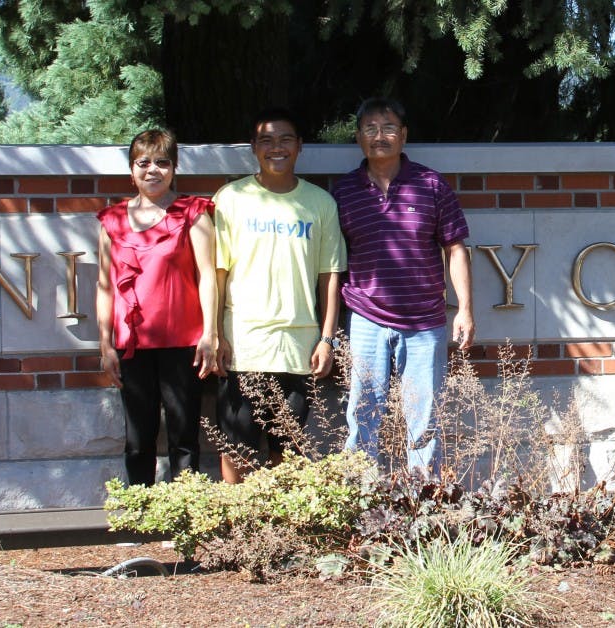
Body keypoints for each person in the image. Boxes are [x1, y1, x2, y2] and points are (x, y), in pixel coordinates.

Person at [332, 97, 474, 471]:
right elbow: (331, 263)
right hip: (365, 317)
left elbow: (455, 248)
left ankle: (423, 503)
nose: (380, 136)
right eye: (370, 129)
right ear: (359, 137)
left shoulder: (430, 184)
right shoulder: (344, 192)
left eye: (389, 128)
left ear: (404, 135)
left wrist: (465, 310)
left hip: (424, 320)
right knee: (362, 415)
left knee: (424, 418)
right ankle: (361, 498)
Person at [213, 107, 347, 483]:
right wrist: (215, 334)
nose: (277, 147)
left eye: (285, 139)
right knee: (236, 446)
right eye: (267, 140)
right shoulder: (231, 198)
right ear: (254, 147)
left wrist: (326, 338)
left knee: (286, 448)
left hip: (298, 345)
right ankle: (236, 527)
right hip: (243, 343)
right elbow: (217, 273)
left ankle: (280, 527)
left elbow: (330, 276)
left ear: (300, 146)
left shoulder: (321, 203)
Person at [96, 128, 218, 486]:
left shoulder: (192, 214)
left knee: (183, 438)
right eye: (143, 162)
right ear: (131, 169)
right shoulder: (111, 220)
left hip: (183, 343)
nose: (153, 170)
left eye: (162, 162)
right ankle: (140, 518)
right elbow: (104, 285)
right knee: (138, 439)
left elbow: (208, 276)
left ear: (175, 167)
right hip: (132, 345)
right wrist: (105, 343)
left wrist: (209, 333)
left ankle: (184, 520)